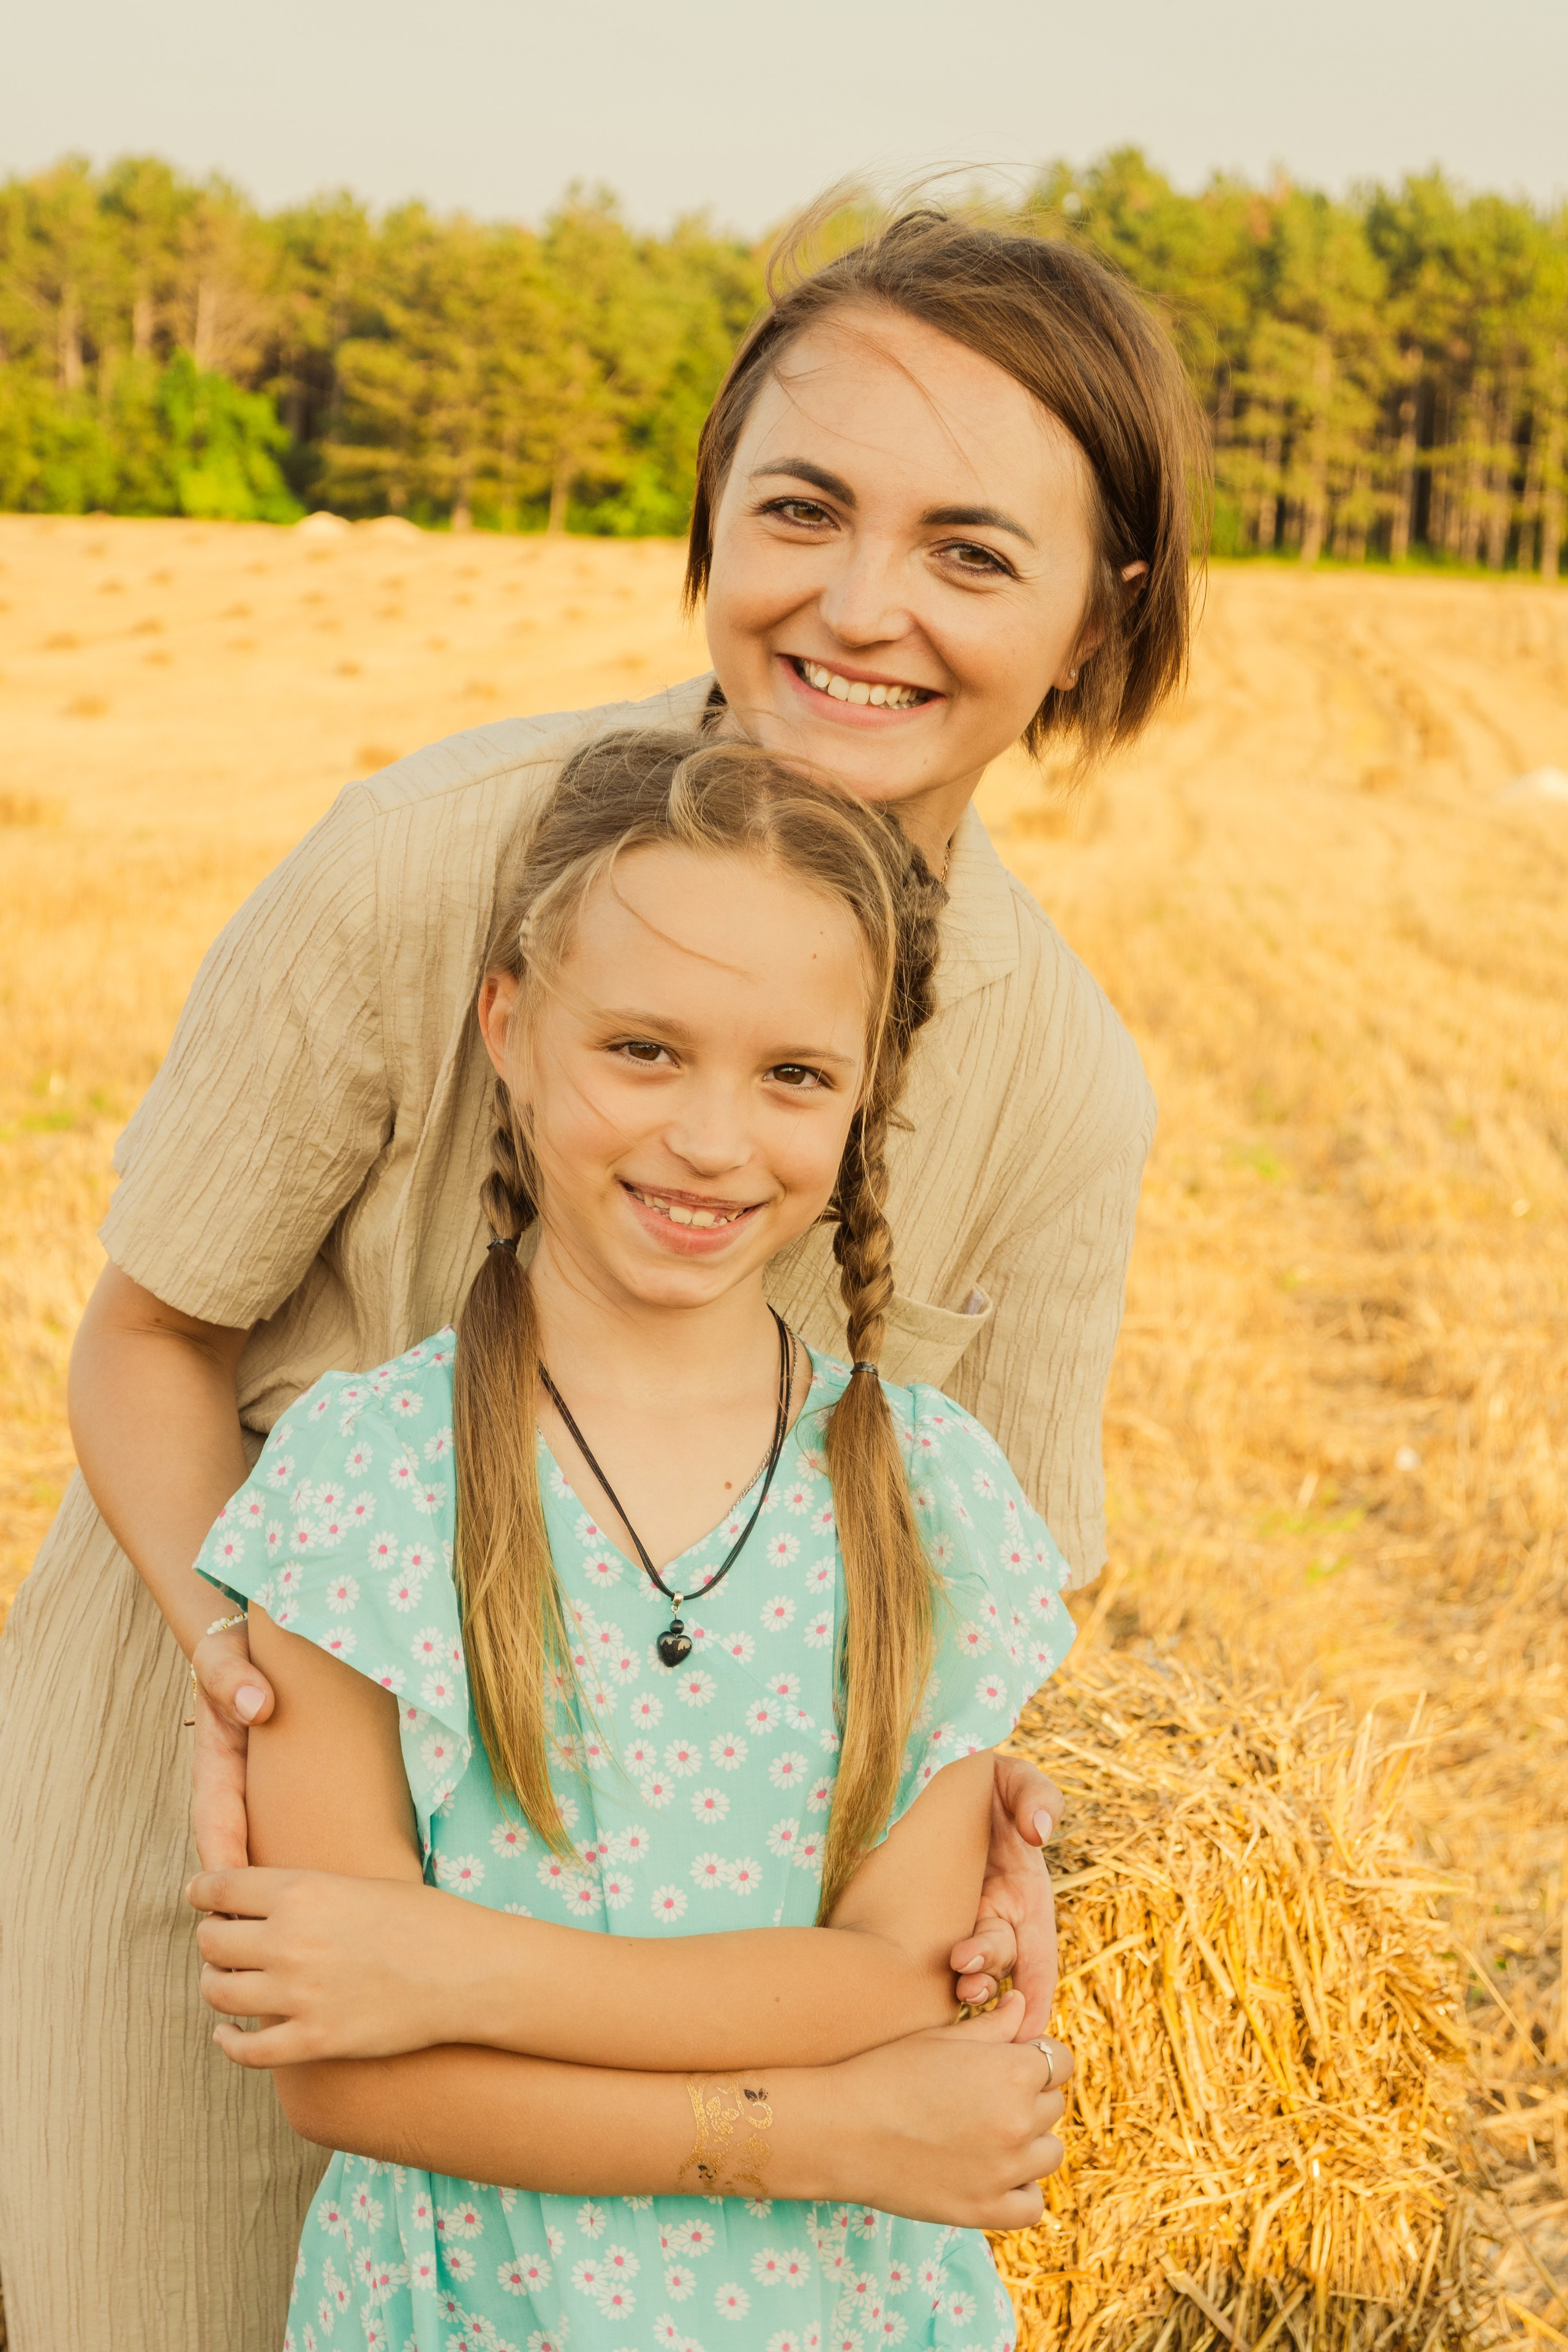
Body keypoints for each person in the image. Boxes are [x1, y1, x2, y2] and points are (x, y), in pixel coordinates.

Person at [0, 205, 1203, 2351]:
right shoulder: (426, 865)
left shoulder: (1066, 1086)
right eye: (803, 510)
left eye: (969, 551)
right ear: (712, 511)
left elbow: (990, 1615)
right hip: (253, 1850)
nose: (860, 607)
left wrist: (986, 1862)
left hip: (697, 1973)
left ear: (1098, 622)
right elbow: (154, 1332)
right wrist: (250, 1686)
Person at [186, 728, 1078, 2352]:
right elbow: (334, 2064)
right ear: (512, 1029)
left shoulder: (932, 1503)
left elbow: (898, 1974)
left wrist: (452, 1969)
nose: (713, 1140)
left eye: (792, 1074)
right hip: (469, 2312)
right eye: (646, 1051)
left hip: (845, 2310)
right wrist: (818, 2124)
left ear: (867, 1084)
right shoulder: (363, 1486)